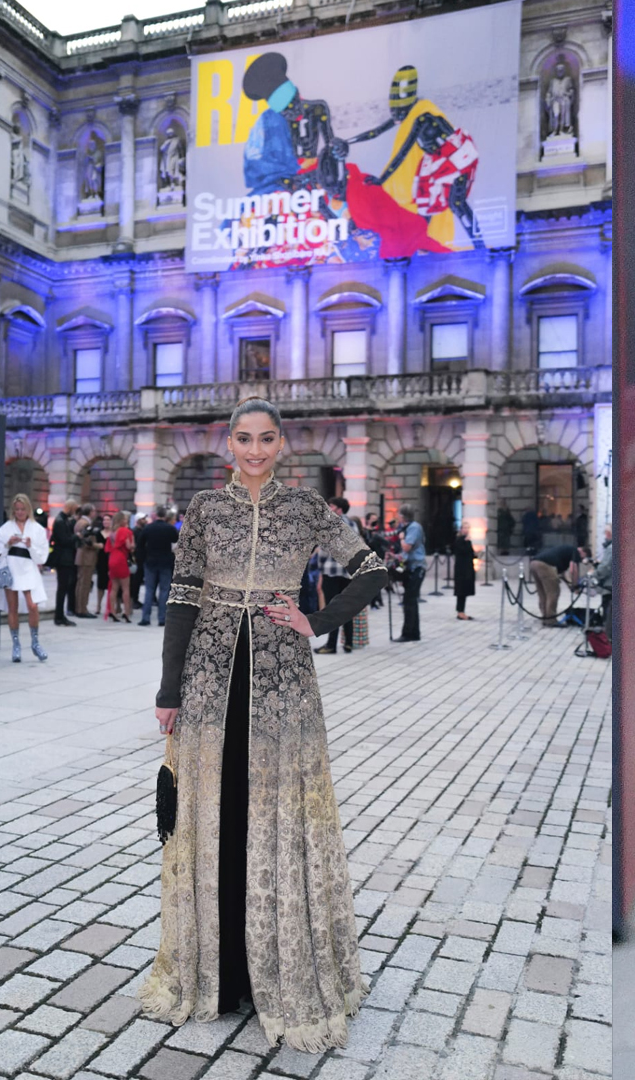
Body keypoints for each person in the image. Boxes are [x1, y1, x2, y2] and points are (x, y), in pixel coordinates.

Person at [144, 397, 386, 1052]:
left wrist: (320, 620)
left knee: (275, 817)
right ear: (229, 445)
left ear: (283, 444)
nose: (254, 450)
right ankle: (217, 976)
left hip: (282, 679)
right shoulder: (205, 509)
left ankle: (275, 968)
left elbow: (372, 568)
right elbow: (184, 597)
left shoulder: (308, 508)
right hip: (208, 679)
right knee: (215, 814)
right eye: (243, 439)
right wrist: (170, 687)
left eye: (266, 439)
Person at [0, 493, 50, 662]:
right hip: (10, 568)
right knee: (12, 607)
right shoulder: (5, 528)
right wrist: (9, 543)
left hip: (28, 568)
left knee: (33, 605)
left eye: (23, 509)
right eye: (17, 509)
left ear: (28, 509)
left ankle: (35, 642)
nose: (20, 512)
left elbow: (42, 558)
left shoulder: (37, 529)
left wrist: (30, 547)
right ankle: (16, 645)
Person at [314, 497, 360, 653]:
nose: (328, 507)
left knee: (332, 609)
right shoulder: (353, 524)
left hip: (331, 572)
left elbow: (323, 550)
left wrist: (319, 570)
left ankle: (331, 645)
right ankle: (348, 642)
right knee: (346, 608)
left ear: (339, 509)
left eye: (331, 505)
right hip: (348, 573)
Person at [137, 507, 179, 626]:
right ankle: (162, 618)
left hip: (150, 561)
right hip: (165, 562)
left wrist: (142, 559)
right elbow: (176, 540)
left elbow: (140, 544)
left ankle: (145, 618)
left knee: (149, 590)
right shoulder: (170, 528)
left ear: (155, 515)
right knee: (164, 590)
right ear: (165, 516)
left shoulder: (148, 528)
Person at [526, 543, 584, 626]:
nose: (581, 560)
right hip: (546, 565)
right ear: (583, 552)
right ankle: (551, 620)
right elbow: (573, 570)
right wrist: (576, 585)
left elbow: (562, 574)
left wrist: (570, 585)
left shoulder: (565, 552)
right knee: (553, 593)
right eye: (582, 558)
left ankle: (545, 616)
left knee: (543, 593)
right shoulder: (575, 551)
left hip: (534, 563)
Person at [394, 505, 425, 642]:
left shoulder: (413, 527)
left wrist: (401, 538)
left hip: (416, 568)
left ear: (403, 516)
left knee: (409, 601)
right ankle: (414, 633)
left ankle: (407, 634)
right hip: (409, 568)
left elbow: (407, 547)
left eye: (399, 515)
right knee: (411, 601)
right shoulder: (407, 527)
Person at [49, 500, 80, 626]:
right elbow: (64, 540)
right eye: (75, 509)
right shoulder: (60, 521)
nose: (75, 512)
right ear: (71, 508)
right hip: (62, 559)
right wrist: (76, 536)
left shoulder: (64, 520)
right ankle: (59, 616)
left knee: (64, 587)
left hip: (65, 558)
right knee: (62, 588)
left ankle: (60, 615)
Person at [73, 505, 103, 617]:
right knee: (84, 584)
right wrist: (98, 545)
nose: (95, 513)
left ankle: (79, 607)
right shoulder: (85, 524)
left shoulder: (79, 522)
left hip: (82, 556)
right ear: (90, 512)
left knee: (81, 583)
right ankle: (82, 609)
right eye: (94, 511)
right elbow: (87, 542)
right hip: (86, 557)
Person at [106, 511, 135, 623]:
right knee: (125, 588)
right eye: (125, 519)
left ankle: (112, 611)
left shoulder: (112, 532)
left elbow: (108, 548)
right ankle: (126, 612)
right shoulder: (125, 531)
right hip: (121, 559)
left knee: (114, 587)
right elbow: (129, 546)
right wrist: (132, 546)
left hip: (112, 558)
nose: (126, 521)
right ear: (121, 520)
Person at [451, 530, 477, 620]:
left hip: (467, 568)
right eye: (465, 528)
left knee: (464, 591)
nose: (466, 530)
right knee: (461, 591)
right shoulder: (460, 540)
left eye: (468, 528)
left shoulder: (467, 540)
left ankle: (461, 611)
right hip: (461, 570)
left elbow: (470, 552)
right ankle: (460, 612)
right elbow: (462, 551)